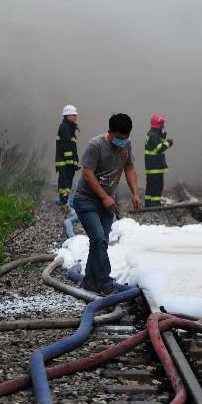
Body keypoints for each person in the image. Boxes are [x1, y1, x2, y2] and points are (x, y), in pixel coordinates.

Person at [72, 113, 142, 294]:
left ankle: (88, 281)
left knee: (99, 243)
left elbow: (129, 168)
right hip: (86, 200)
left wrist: (135, 193)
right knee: (99, 239)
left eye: (126, 138)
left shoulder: (126, 145)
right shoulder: (95, 145)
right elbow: (87, 173)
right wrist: (104, 197)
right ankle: (104, 282)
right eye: (119, 138)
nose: (122, 141)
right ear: (110, 132)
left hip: (106, 203)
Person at [144, 113, 173, 207]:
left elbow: (156, 146)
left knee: (150, 184)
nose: (163, 126)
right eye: (162, 124)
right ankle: (155, 203)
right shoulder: (153, 135)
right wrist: (168, 143)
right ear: (158, 124)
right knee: (157, 184)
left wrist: (163, 137)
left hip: (151, 165)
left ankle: (148, 202)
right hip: (155, 165)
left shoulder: (153, 134)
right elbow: (158, 149)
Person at [55, 104, 80, 213]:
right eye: (73, 115)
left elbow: (71, 146)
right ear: (67, 115)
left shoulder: (69, 127)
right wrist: (70, 162)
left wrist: (74, 162)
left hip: (68, 162)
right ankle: (65, 205)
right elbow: (66, 146)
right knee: (64, 183)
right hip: (64, 162)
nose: (75, 117)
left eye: (75, 115)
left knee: (68, 183)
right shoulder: (64, 127)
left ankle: (64, 204)